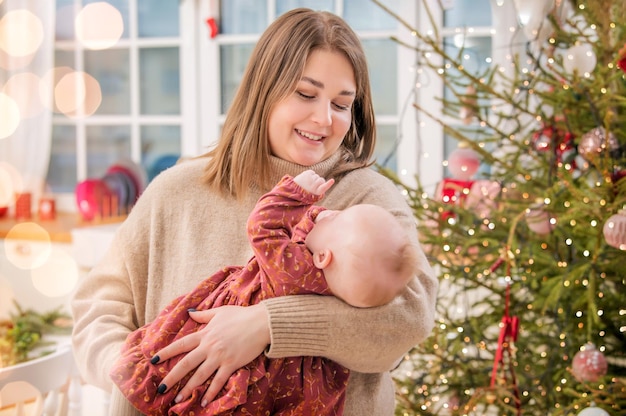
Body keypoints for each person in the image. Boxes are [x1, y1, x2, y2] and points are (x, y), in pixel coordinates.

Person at [71, 7, 438, 416]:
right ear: (264, 90)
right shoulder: (177, 191)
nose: (324, 118)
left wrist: (268, 324)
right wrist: (132, 373)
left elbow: (410, 316)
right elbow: (98, 308)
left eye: (341, 104)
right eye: (305, 93)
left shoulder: (366, 199)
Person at [109, 169, 419, 415]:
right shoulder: (338, 284)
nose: (329, 212)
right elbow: (103, 300)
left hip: (216, 375)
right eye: (307, 95)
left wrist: (294, 194)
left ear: (324, 257)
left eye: (338, 217)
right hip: (293, 388)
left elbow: (264, 226)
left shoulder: (295, 266)